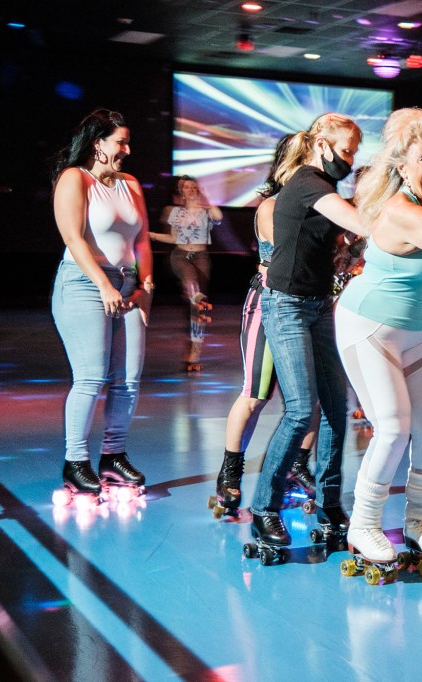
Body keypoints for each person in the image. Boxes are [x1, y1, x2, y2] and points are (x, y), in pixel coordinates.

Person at [334, 108, 422, 570]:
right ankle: (364, 524)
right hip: (370, 327)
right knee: (393, 428)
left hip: (420, 332)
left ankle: (419, 521)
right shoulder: (401, 209)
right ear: (401, 167)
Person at [247, 114, 367, 559]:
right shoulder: (306, 181)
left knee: (337, 408)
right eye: (347, 151)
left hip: (317, 305)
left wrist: (348, 252)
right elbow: (361, 222)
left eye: (356, 152)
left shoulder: (321, 186)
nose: (351, 160)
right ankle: (264, 508)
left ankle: (330, 505)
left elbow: (341, 240)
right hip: (287, 305)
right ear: (321, 144)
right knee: (300, 410)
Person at [50, 108, 153, 501]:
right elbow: (74, 239)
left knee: (128, 379)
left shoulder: (130, 184)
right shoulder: (74, 179)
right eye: (120, 141)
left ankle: (113, 457)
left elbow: (141, 239)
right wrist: (103, 286)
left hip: (127, 284)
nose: (127, 148)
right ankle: (76, 463)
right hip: (82, 283)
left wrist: (145, 285)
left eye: (127, 141)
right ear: (99, 143)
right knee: (91, 376)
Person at [211, 134, 318, 517]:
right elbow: (288, 256)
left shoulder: (320, 205)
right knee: (256, 395)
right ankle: (231, 472)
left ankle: (298, 465)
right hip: (269, 303)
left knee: (309, 398)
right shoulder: (272, 206)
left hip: (308, 305)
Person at [149, 175, 223, 371]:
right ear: (180, 191)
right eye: (185, 187)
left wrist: (206, 198)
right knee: (195, 292)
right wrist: (152, 236)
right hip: (181, 257)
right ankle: (192, 292)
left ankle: (194, 355)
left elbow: (218, 217)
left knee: (196, 310)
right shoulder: (173, 211)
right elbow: (173, 237)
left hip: (201, 258)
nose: (190, 190)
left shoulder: (206, 211)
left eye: (193, 187)